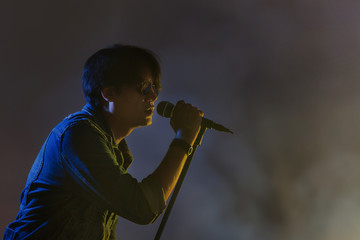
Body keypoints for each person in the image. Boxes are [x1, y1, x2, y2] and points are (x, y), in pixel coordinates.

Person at [3, 44, 204, 240]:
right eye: (144, 87)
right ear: (108, 93)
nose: (153, 96)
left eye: (155, 88)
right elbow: (143, 207)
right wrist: (183, 138)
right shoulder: (79, 135)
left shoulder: (111, 149)